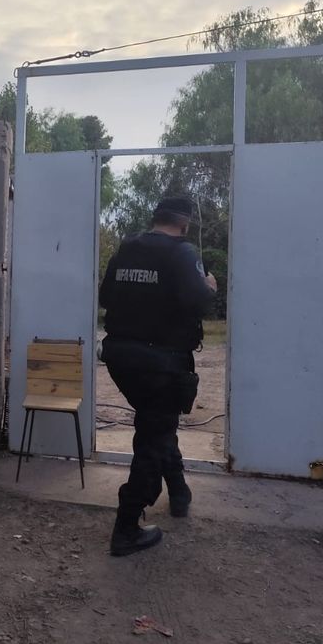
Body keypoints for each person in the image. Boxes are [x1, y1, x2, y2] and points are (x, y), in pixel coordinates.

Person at [99, 195, 217, 556]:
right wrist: (210, 287)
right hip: (161, 362)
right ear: (184, 225)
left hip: (121, 358)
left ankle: (179, 493)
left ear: (155, 218)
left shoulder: (126, 250)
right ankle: (127, 527)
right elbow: (201, 302)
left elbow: (106, 296)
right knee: (152, 439)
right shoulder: (182, 254)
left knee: (156, 426)